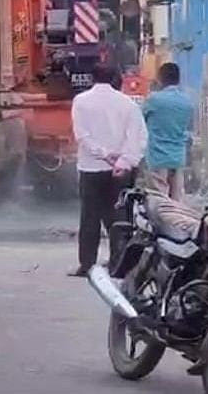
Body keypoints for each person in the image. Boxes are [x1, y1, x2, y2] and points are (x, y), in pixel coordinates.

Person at [69, 64, 147, 277]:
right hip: (120, 172)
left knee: (89, 217)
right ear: (116, 78)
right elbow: (138, 138)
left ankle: (87, 264)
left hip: (90, 168)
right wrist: (124, 161)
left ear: (92, 78)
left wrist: (103, 153)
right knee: (119, 218)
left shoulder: (81, 102)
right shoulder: (128, 104)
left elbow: (82, 136)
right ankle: (118, 265)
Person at [142, 62, 193, 202]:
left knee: (159, 200)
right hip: (178, 156)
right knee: (176, 200)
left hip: (158, 157)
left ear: (160, 78)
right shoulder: (187, 101)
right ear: (178, 79)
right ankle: (176, 223)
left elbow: (141, 120)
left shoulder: (154, 100)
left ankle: (161, 224)